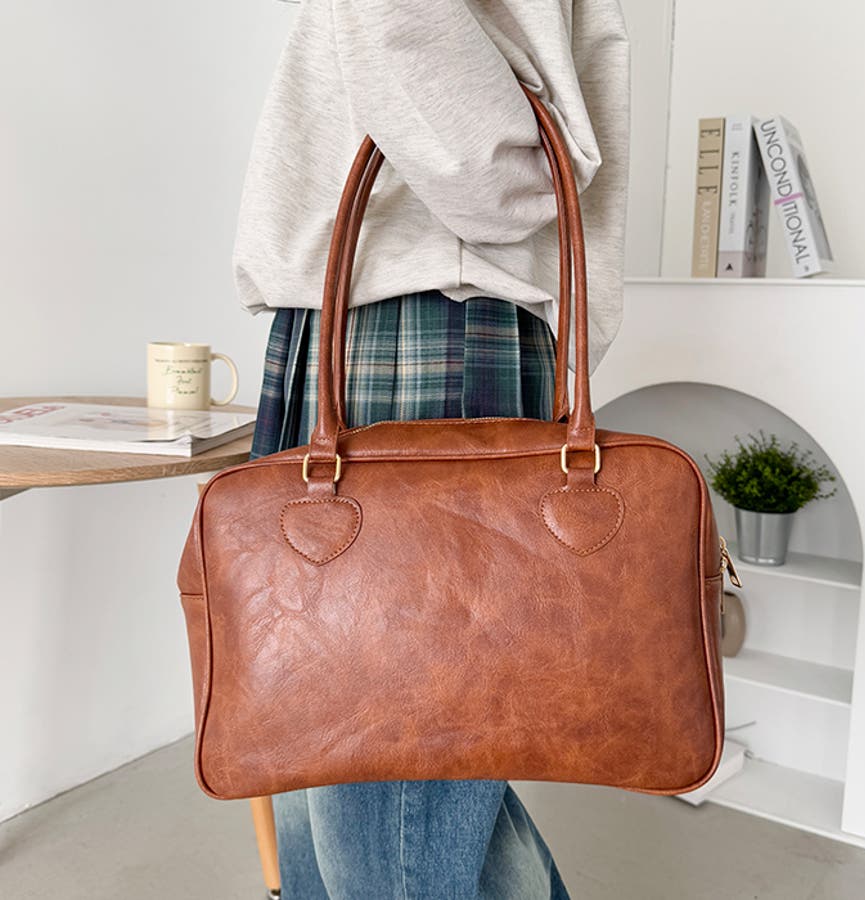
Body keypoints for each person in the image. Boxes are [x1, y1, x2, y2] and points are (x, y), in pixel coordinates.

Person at [235, 1, 630, 896]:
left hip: (421, 322)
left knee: (378, 794)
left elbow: (490, 174)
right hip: (370, 318)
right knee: (317, 748)